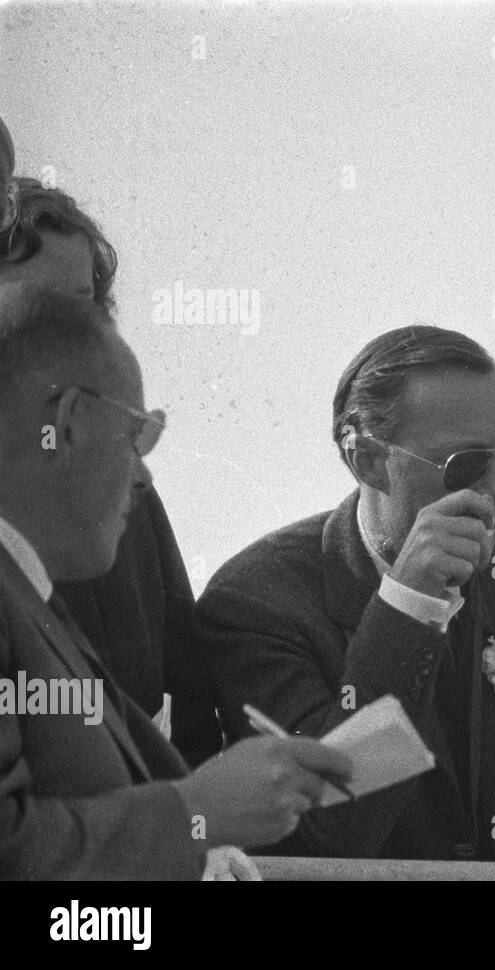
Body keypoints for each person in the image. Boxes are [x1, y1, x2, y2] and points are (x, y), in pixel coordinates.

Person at [196, 325, 495, 862]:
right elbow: (331, 826)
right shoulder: (258, 601)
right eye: (466, 464)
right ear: (367, 460)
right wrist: (406, 608)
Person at [0, 285, 353, 879]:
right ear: (66, 424)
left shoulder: (30, 595)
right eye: (138, 436)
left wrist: (198, 849)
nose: (142, 476)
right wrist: (197, 813)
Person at [0, 170, 222, 767]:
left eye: (89, 308)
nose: (83, 333)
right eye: (45, 311)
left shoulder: (131, 497)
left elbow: (186, 696)